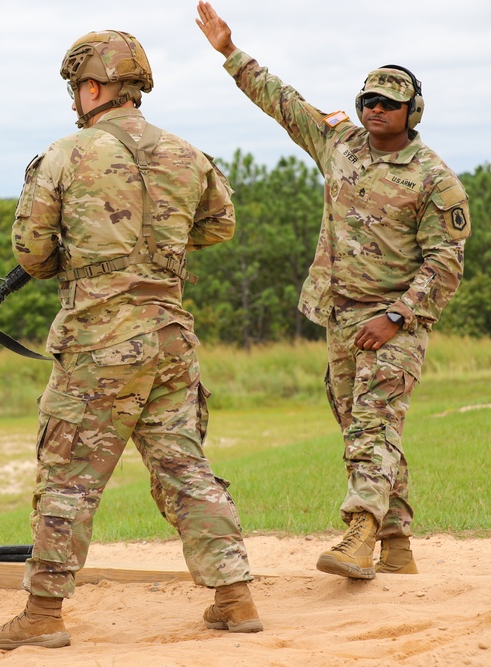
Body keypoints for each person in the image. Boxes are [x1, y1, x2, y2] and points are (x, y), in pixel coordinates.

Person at [0, 30, 263, 651]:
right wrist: (156, 251)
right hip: (169, 338)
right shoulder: (187, 155)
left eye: (76, 89)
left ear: (91, 87)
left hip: (100, 345)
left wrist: (86, 263)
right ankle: (235, 597)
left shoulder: (65, 153)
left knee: (68, 477)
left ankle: (43, 615)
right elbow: (220, 225)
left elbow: (31, 251)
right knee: (186, 467)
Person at [195, 2, 470, 580]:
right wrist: (229, 52)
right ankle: (397, 544)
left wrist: (396, 317)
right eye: (368, 99)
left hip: (394, 322)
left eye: (389, 103)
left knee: (373, 426)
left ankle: (359, 536)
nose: (375, 109)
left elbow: (445, 264)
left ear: (412, 111)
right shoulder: (339, 144)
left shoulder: (434, 178)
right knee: (364, 430)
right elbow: (284, 101)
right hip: (340, 317)